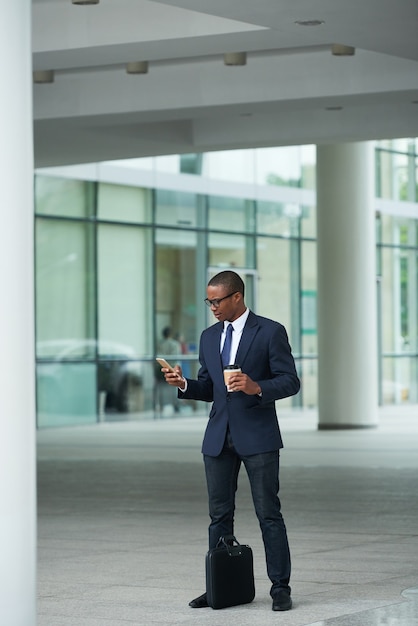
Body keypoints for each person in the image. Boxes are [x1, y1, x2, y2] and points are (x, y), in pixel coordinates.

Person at [161, 270, 300, 612]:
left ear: (236, 296)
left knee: (269, 513)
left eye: (217, 300)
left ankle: (280, 588)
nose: (212, 307)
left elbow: (290, 381)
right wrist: (183, 384)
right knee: (218, 516)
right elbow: (210, 388)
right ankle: (217, 587)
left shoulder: (270, 331)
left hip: (258, 437)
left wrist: (257, 387)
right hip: (218, 439)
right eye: (209, 301)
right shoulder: (210, 337)